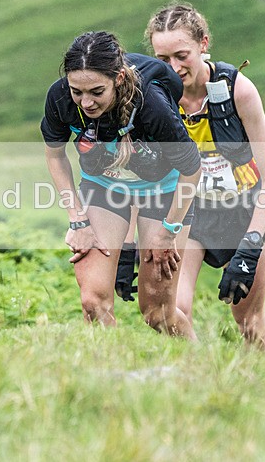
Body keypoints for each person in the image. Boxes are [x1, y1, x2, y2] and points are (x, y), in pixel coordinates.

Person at [118, 2, 265, 349]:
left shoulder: (238, 91)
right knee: (169, 311)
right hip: (188, 213)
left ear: (203, 43)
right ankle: (200, 368)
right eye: (162, 60)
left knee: (249, 322)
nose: (174, 68)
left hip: (243, 214)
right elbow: (139, 178)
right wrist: (128, 245)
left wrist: (251, 245)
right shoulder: (152, 99)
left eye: (182, 56)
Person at [40, 31, 201, 337]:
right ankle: (107, 366)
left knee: (158, 313)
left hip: (163, 190)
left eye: (96, 91)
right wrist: (77, 220)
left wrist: (169, 232)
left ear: (119, 78)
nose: (86, 102)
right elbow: (55, 156)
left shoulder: (151, 104)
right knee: (93, 302)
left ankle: (200, 362)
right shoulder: (60, 98)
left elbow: (192, 169)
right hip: (103, 186)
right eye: (77, 92)